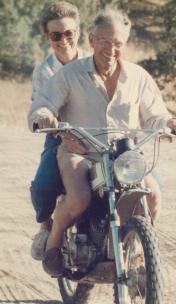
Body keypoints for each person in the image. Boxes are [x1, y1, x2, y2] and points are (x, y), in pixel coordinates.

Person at [28, 9, 176, 276]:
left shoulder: (138, 77)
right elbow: (43, 105)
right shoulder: (70, 74)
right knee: (79, 198)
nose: (111, 49)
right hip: (80, 150)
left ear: (125, 43)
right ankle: (53, 242)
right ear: (91, 41)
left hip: (124, 154)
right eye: (105, 41)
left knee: (153, 195)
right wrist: (44, 117)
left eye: (117, 43)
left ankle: (139, 252)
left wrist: (170, 123)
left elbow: (156, 114)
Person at [30, 1, 90, 261]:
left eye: (69, 33)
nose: (64, 40)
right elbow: (40, 106)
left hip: (96, 134)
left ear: (77, 32)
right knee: (43, 187)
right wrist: (45, 119)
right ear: (47, 36)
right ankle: (46, 228)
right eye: (56, 35)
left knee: (139, 177)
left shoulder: (94, 60)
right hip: (59, 137)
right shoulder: (44, 71)